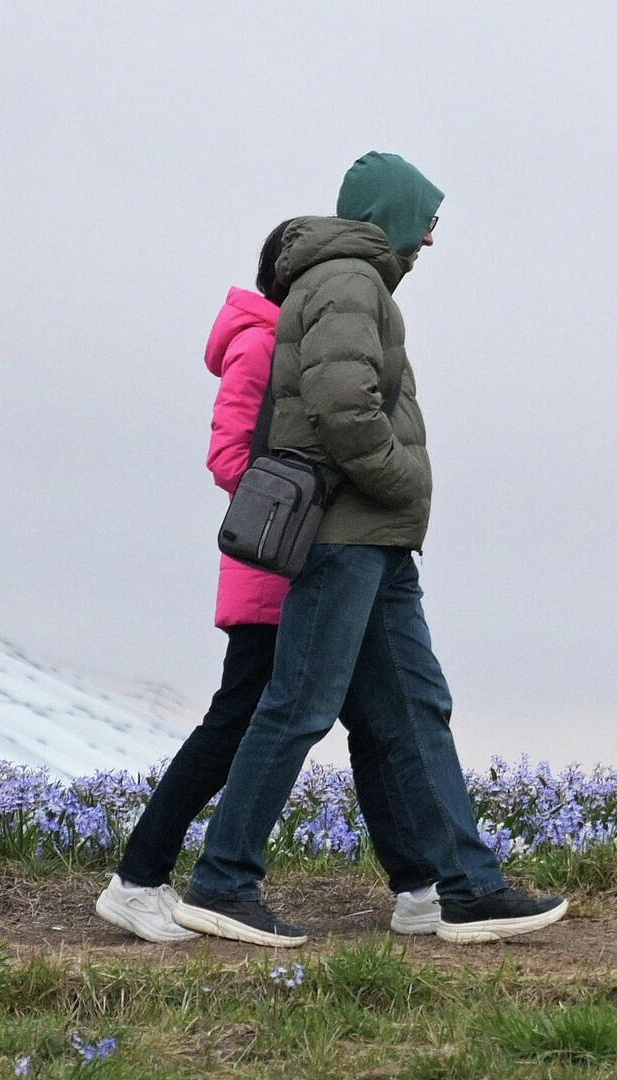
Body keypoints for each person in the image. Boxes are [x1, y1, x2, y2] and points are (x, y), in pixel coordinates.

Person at [173, 153, 565, 947]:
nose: (429, 240)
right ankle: (221, 882)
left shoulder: (354, 282)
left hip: (375, 543)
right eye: (425, 222)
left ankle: (465, 888)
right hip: (351, 535)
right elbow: (342, 405)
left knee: (415, 711)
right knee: (299, 707)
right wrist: (398, 481)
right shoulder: (350, 281)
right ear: (390, 216)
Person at [95, 221, 444, 944]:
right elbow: (229, 456)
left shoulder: (299, 343)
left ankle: (420, 886)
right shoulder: (260, 345)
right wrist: (314, 494)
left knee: (371, 726)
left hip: (314, 571)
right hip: (275, 575)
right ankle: (138, 878)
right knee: (238, 724)